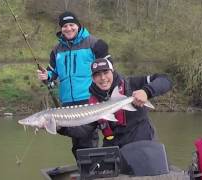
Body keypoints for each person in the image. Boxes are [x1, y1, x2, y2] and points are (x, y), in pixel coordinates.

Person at [37, 11, 110, 159]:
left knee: (88, 141)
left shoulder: (94, 43)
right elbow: (52, 73)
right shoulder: (56, 50)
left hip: (89, 100)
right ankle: (85, 169)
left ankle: (92, 170)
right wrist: (46, 76)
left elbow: (108, 68)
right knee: (77, 144)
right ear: (60, 29)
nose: (68, 28)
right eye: (65, 26)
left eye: (71, 25)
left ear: (78, 25)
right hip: (68, 103)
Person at [88, 58, 172, 147]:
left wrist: (146, 92)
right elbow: (86, 129)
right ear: (93, 78)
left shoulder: (132, 84)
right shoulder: (92, 100)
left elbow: (165, 79)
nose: (103, 78)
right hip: (113, 145)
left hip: (142, 141)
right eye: (97, 75)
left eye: (106, 72)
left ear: (112, 71)